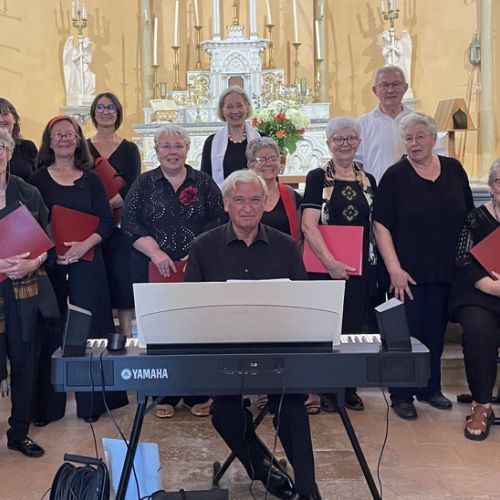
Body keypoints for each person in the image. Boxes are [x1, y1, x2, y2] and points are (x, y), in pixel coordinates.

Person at [184, 169, 321, 500]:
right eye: (240, 200)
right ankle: (264, 470)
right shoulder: (203, 247)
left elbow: (302, 304)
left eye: (255, 200)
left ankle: (308, 489)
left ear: (264, 203)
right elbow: (190, 309)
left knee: (292, 406)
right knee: (224, 413)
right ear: (226, 204)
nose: (248, 207)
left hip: (277, 350)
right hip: (224, 351)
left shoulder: (286, 246)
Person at [373, 112, 474, 420]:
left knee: (435, 330)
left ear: (433, 138)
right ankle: (402, 394)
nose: (414, 143)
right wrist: (394, 269)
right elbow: (380, 225)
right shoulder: (395, 176)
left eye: (419, 137)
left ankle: (430, 388)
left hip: (445, 271)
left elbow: (469, 217)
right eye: (408, 138)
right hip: (406, 273)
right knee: (404, 334)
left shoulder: (454, 170)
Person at [122, 123, 227, 419]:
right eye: (166, 146)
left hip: (197, 267)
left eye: (178, 146)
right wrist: (156, 253)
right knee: (161, 329)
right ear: (156, 151)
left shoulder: (203, 182)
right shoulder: (143, 183)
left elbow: (219, 219)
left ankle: (198, 391)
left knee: (196, 327)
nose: (172, 152)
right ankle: (163, 392)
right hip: (152, 266)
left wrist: (197, 250)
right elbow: (129, 223)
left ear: (187, 149)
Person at [30, 115, 128, 423]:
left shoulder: (92, 179)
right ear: (49, 141)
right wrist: (52, 252)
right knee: (51, 331)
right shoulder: (36, 180)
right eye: (58, 134)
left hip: (88, 261)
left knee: (93, 331)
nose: (64, 139)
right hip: (51, 265)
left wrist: (84, 245)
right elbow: (32, 223)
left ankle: (94, 404)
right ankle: (48, 407)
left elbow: (106, 221)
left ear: (78, 140)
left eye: (69, 134)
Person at [301, 117, 378, 413]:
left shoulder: (368, 180)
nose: (345, 144)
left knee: (353, 329)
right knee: (327, 331)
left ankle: (348, 388)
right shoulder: (317, 177)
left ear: (358, 142)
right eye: (338, 139)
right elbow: (309, 225)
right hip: (325, 267)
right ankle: (327, 388)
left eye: (350, 138)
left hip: (360, 267)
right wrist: (331, 263)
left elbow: (375, 225)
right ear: (329, 143)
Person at [246, 137, 321, 415]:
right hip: (251, 272)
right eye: (261, 159)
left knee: (290, 332)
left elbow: (303, 234)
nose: (268, 164)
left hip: (286, 270)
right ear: (250, 164)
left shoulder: (291, 196)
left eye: (272, 158)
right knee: (259, 333)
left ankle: (297, 386)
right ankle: (264, 388)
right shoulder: (243, 194)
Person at [0, 128, 52, 457]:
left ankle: (19, 432)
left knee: (25, 360)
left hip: (24, 287)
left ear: (8, 153)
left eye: (0, 148)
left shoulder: (28, 192)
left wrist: (34, 262)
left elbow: (46, 238)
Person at [449, 160, 500, 440]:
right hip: (479, 295)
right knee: (480, 330)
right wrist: (489, 286)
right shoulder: (476, 218)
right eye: (499, 182)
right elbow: (462, 258)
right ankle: (481, 406)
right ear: (491, 186)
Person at [87, 92, 141, 337]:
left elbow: (132, 184)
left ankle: (126, 335)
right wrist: (98, 212)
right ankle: (99, 334)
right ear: (93, 112)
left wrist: (107, 206)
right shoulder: (83, 147)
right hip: (91, 225)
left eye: (111, 108)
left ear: (118, 113)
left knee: (122, 276)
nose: (105, 112)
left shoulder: (129, 148)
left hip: (120, 224)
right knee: (98, 278)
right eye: (100, 107)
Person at [355, 66, 446, 183]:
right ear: (375, 90)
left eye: (396, 84)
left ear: (405, 88)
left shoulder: (422, 123)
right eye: (384, 85)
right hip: (378, 191)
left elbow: (439, 156)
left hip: (416, 189)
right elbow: (355, 164)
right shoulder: (361, 125)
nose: (390, 90)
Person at [200, 86, 260, 186]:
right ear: (222, 111)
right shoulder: (211, 142)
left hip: (257, 195)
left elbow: (271, 177)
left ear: (247, 108)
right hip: (222, 195)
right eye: (230, 107)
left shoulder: (261, 140)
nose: (235, 111)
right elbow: (205, 180)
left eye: (239, 105)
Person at [0, 98, 38, 181]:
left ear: (14, 119)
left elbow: (40, 178)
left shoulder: (27, 147)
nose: (1, 119)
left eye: (5, 114)